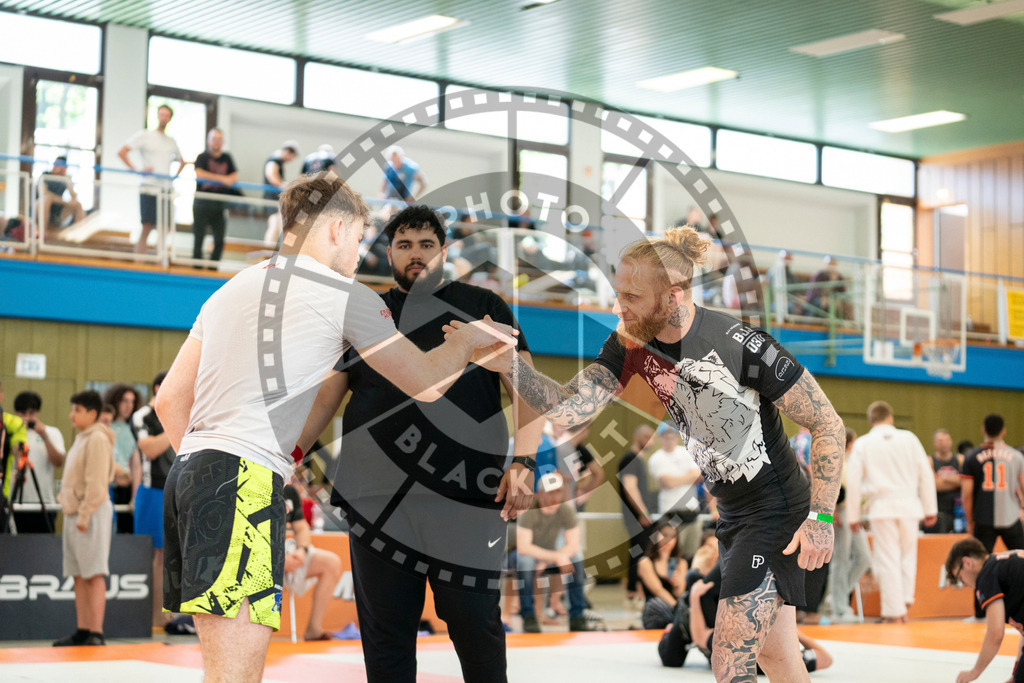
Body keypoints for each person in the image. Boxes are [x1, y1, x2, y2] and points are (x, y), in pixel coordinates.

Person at [155, 172, 517, 683]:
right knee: (236, 675)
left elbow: (169, 398)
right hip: (240, 478)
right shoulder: (343, 294)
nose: (358, 258)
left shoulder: (235, 286)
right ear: (338, 229)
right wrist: (467, 341)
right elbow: (426, 384)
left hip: (189, 473)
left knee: (220, 667)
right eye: (359, 241)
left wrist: (218, 471)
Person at [457, 225, 845, 682]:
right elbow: (569, 405)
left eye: (631, 297)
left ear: (673, 297)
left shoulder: (739, 343)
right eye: (617, 293)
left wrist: (821, 519)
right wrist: (510, 364)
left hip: (778, 511)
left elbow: (827, 424)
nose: (618, 306)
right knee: (778, 658)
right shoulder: (629, 344)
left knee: (729, 656)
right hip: (734, 514)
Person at [300, 204, 541, 682]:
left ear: (444, 251)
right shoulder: (367, 309)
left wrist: (526, 461)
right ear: (389, 252)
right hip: (375, 497)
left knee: (475, 624)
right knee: (386, 634)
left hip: (466, 495)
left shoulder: (483, 306)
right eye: (405, 245)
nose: (416, 255)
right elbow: (328, 394)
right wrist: (290, 453)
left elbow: (528, 388)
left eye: (426, 245)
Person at [845, 401, 938, 623]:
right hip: (910, 506)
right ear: (891, 417)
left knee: (887, 559)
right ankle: (904, 600)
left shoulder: (864, 443)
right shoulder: (910, 439)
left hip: (882, 508)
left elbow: (854, 481)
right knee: (908, 555)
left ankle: (894, 611)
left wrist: (853, 515)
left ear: (870, 420)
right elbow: (925, 474)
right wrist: (930, 508)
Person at [657, 563, 833, 675]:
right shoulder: (784, 654)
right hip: (744, 623)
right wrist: (788, 631)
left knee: (671, 658)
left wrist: (694, 597)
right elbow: (826, 658)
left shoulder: (736, 644)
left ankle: (673, 620)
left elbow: (700, 636)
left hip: (699, 621)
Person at [53, 390, 115, 647]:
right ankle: (83, 629)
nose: (72, 415)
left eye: (77, 410)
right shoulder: (82, 438)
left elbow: (97, 484)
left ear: (92, 413)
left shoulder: (97, 439)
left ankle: (96, 632)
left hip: (90, 513)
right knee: (79, 574)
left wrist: (85, 514)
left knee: (94, 573)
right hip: (74, 512)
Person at [515, 471, 597, 633]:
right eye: (550, 493)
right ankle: (528, 616)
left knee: (576, 558)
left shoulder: (565, 510)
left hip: (548, 555)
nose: (555, 498)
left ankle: (577, 616)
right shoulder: (528, 510)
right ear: (539, 495)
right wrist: (556, 557)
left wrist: (555, 557)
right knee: (524, 562)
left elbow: (573, 544)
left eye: (558, 492)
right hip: (525, 555)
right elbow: (523, 547)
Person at [130, 371, 176, 627]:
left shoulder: (178, 413)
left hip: (175, 489)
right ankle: (153, 615)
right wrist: (174, 423)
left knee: (170, 554)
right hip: (152, 491)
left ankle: (166, 611)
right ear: (159, 388)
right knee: (155, 555)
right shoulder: (143, 416)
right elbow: (149, 448)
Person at [944, 538, 1024, 683]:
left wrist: (974, 672)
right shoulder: (1002, 566)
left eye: (960, 578)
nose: (965, 585)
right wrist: (1016, 674)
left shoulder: (986, 575)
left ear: (967, 562)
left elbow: (995, 633)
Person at [118, 104, 184, 254]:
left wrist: (174, 177)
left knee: (165, 228)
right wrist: (137, 171)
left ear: (170, 118)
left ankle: (160, 261)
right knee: (147, 227)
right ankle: (139, 263)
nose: (164, 118)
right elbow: (122, 152)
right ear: (157, 115)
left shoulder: (171, 141)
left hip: (166, 189)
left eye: (167, 115)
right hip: (148, 187)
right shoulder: (145, 135)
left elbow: (182, 161)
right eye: (162, 114)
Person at [283, 481, 342, 641]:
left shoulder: (289, 492)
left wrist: (302, 550)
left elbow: (301, 527)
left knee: (331, 562)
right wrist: (278, 559)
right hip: (257, 553)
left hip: (286, 549)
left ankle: (313, 629)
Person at [962, 414, 1024, 552]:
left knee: (981, 562)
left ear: (983, 429)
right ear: (1004, 431)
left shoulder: (971, 457)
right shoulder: (1017, 456)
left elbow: (966, 494)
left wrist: (970, 522)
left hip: (983, 518)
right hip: (1011, 517)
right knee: (1021, 558)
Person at [829, 427, 871, 623]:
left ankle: (836, 596)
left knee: (864, 557)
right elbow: (830, 488)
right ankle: (839, 608)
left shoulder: (851, 462)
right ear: (851, 443)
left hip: (852, 513)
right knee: (841, 559)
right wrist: (831, 513)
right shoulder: (835, 460)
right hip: (839, 512)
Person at [11, 391, 66, 533]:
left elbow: (58, 462)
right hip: (15, 502)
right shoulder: (10, 433)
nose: (27, 417)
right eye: (22, 413)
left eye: (31, 413)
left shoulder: (52, 432)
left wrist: (44, 436)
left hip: (43, 503)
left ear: (37, 413)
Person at [647, 422, 703, 560]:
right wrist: (689, 477)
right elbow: (667, 483)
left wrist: (677, 480)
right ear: (661, 438)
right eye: (666, 436)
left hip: (691, 511)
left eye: (672, 436)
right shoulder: (656, 458)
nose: (670, 439)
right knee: (672, 554)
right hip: (671, 513)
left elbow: (700, 476)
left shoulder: (686, 452)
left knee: (692, 555)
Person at [617, 423, 657, 601]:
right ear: (639, 438)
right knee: (640, 552)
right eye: (649, 438)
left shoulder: (638, 460)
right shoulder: (630, 459)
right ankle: (633, 589)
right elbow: (630, 488)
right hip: (635, 516)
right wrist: (642, 512)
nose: (652, 442)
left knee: (640, 550)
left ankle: (635, 588)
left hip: (639, 515)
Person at [192, 129, 239, 264]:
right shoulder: (202, 157)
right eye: (214, 138)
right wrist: (223, 179)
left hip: (220, 203)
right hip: (202, 202)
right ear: (209, 140)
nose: (216, 141)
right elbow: (200, 174)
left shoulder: (227, 158)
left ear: (222, 142)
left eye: (219, 139)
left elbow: (234, 178)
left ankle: (213, 266)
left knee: (219, 238)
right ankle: (196, 267)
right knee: (198, 236)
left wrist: (212, 179)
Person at [102, 383, 140, 534]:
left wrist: (135, 496)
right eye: (124, 401)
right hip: (109, 485)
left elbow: (136, 463)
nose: (128, 406)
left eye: (131, 402)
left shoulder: (134, 429)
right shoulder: (105, 427)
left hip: (128, 487)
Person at [637, 518, 686, 629]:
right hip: (656, 609)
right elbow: (657, 590)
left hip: (675, 611)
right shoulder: (646, 562)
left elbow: (679, 593)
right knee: (659, 604)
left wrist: (676, 583)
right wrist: (677, 609)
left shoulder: (680, 563)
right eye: (664, 535)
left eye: (672, 537)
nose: (668, 540)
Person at [926, 428, 964, 534]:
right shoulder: (930, 460)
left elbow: (964, 481)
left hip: (958, 510)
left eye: (946, 440)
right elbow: (935, 485)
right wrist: (956, 480)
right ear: (935, 443)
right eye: (940, 441)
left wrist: (942, 479)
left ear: (951, 441)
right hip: (939, 510)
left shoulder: (960, 459)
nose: (944, 444)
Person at [262, 141, 300, 246]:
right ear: (288, 151)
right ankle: (268, 252)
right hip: (272, 198)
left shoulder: (277, 161)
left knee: (277, 227)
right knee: (274, 226)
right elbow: (271, 175)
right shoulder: (274, 160)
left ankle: (269, 251)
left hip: (274, 198)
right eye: (292, 156)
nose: (291, 160)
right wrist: (283, 185)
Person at [40, 156, 85, 233]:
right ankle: (42, 232)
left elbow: (74, 197)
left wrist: (67, 181)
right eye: (58, 165)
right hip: (42, 206)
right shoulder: (45, 175)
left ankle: (79, 234)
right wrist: (63, 201)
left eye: (63, 167)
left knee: (77, 205)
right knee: (47, 200)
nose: (60, 168)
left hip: (58, 210)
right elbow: (44, 194)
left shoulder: (65, 179)